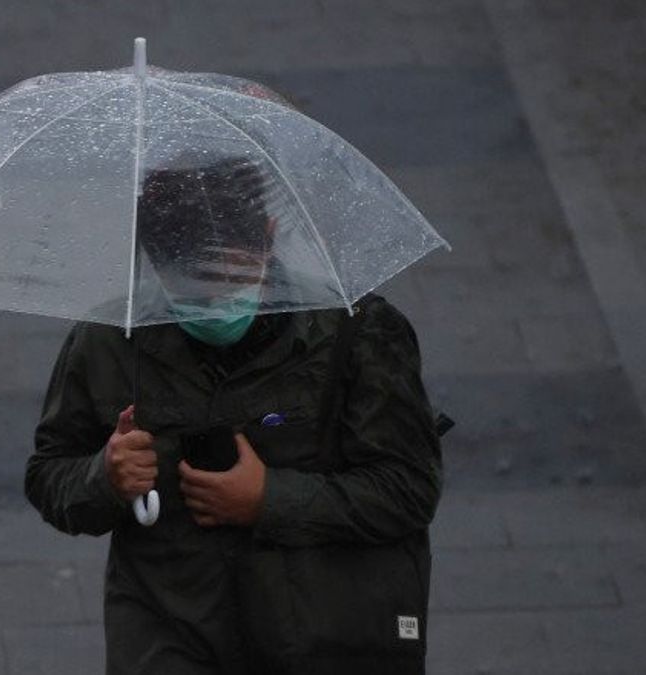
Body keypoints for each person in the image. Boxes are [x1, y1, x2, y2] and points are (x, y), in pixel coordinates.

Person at [25, 156, 442, 675]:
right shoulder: (111, 341)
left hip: (319, 636)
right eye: (192, 288)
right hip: (168, 634)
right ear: (152, 260)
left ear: (268, 237)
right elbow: (49, 475)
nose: (214, 303)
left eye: (230, 278)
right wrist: (103, 476)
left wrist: (269, 499)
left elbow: (407, 489)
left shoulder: (356, 335)